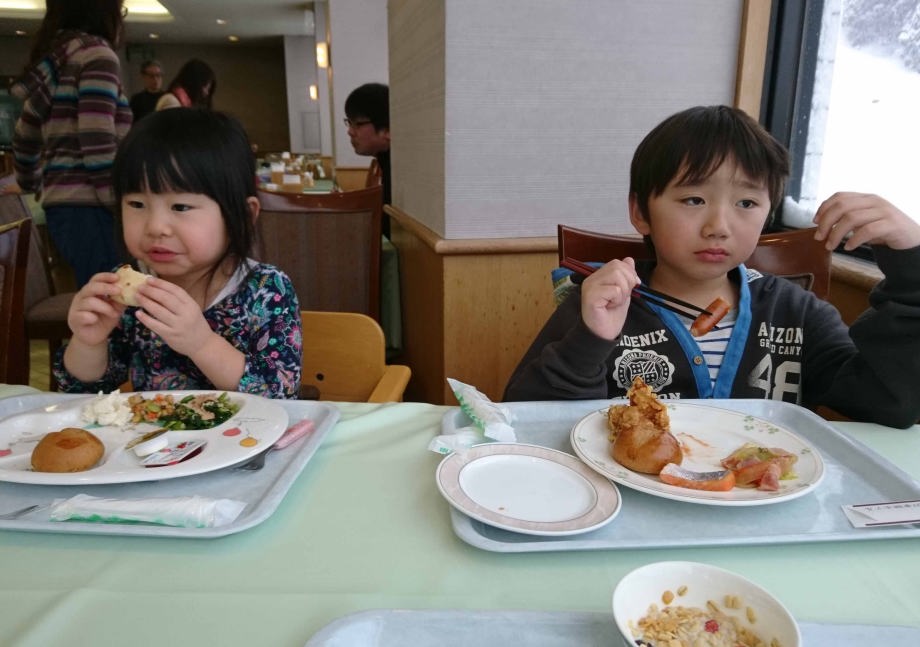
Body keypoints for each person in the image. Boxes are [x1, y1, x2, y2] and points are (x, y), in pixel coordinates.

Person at [503, 105, 920, 429]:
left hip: (764, 501)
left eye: (746, 203)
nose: (718, 226)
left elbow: (891, 402)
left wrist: (911, 268)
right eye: (693, 200)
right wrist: (590, 339)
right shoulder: (605, 304)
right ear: (641, 212)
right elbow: (527, 422)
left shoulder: (795, 312)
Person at [54, 108, 302, 399]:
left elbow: (279, 395)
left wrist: (201, 343)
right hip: (152, 429)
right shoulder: (126, 293)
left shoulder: (266, 290)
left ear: (244, 216)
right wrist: (88, 342)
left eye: (180, 207)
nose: (155, 227)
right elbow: (85, 392)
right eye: (137, 204)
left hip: (248, 429)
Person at [8, 0, 131, 288]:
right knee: (114, 300)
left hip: (61, 209)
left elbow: (24, 135)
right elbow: (96, 139)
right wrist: (121, 204)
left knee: (98, 296)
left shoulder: (56, 60)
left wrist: (29, 181)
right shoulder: (97, 55)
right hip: (93, 206)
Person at [344, 82, 391, 237]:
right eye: (349, 123)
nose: (350, 132)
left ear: (387, 129)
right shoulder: (385, 161)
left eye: (357, 124)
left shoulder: (399, 168)